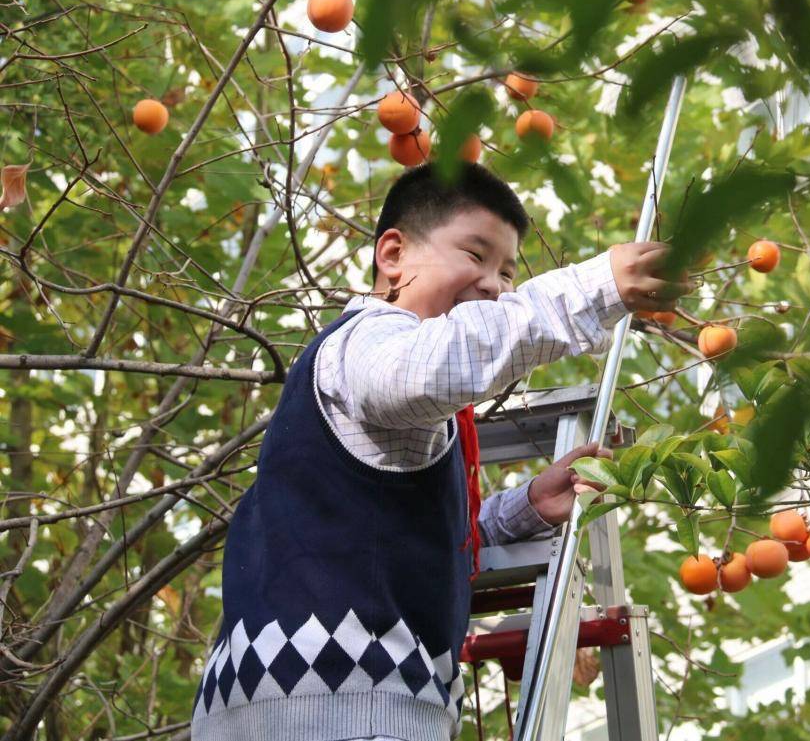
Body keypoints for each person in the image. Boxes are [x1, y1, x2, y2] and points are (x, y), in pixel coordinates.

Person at [190, 163, 692, 741]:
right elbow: (427, 367)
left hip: (264, 703)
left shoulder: (367, 398)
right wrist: (590, 289)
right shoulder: (369, 343)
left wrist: (521, 508)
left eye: (507, 271)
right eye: (475, 255)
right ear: (393, 254)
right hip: (345, 708)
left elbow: (391, 533)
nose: (494, 285)